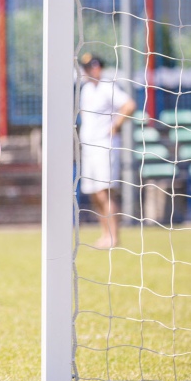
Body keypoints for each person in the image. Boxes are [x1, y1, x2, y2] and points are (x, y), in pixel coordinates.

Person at [78, 53, 136, 249]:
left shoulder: (107, 87)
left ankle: (113, 236)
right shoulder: (86, 89)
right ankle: (104, 234)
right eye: (87, 67)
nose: (90, 71)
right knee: (94, 193)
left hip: (104, 145)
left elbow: (129, 105)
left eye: (93, 66)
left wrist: (115, 126)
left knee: (105, 192)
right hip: (89, 147)